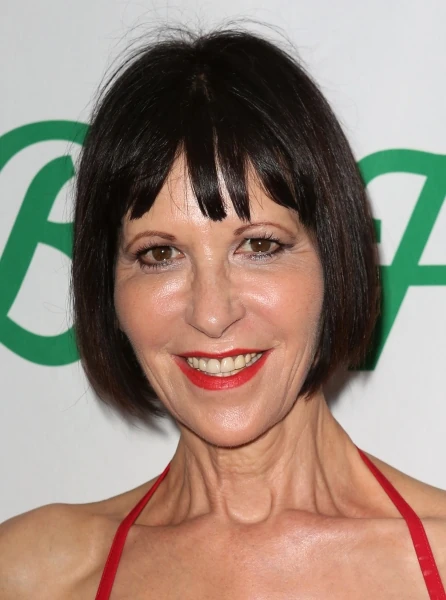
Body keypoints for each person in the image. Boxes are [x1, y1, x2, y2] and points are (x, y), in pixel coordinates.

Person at [1, 24, 445, 599]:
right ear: (106, 289)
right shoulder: (32, 576)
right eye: (159, 255)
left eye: (258, 246)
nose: (211, 314)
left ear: (335, 261)